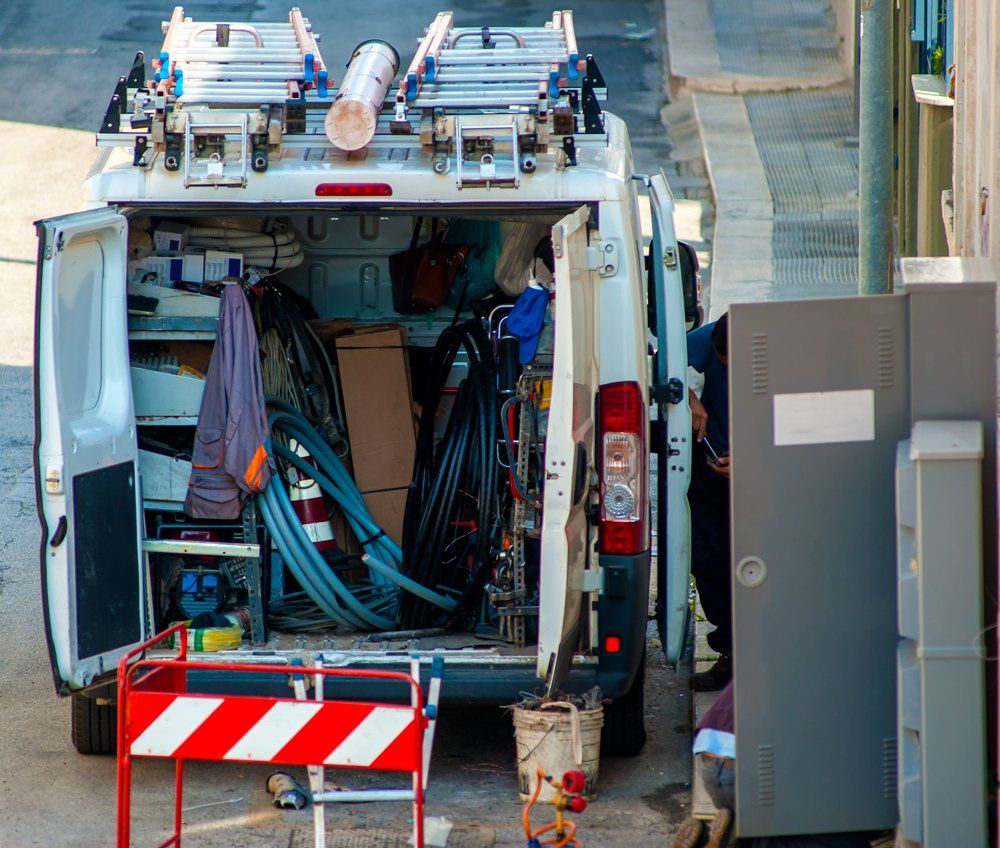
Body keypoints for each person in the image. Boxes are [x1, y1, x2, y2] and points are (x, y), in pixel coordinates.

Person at [686, 313, 733, 691]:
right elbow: (658, 373)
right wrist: (687, 397)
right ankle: (730, 650)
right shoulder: (702, 342)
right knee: (708, 558)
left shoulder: (784, 355)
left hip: (764, 476)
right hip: (709, 471)